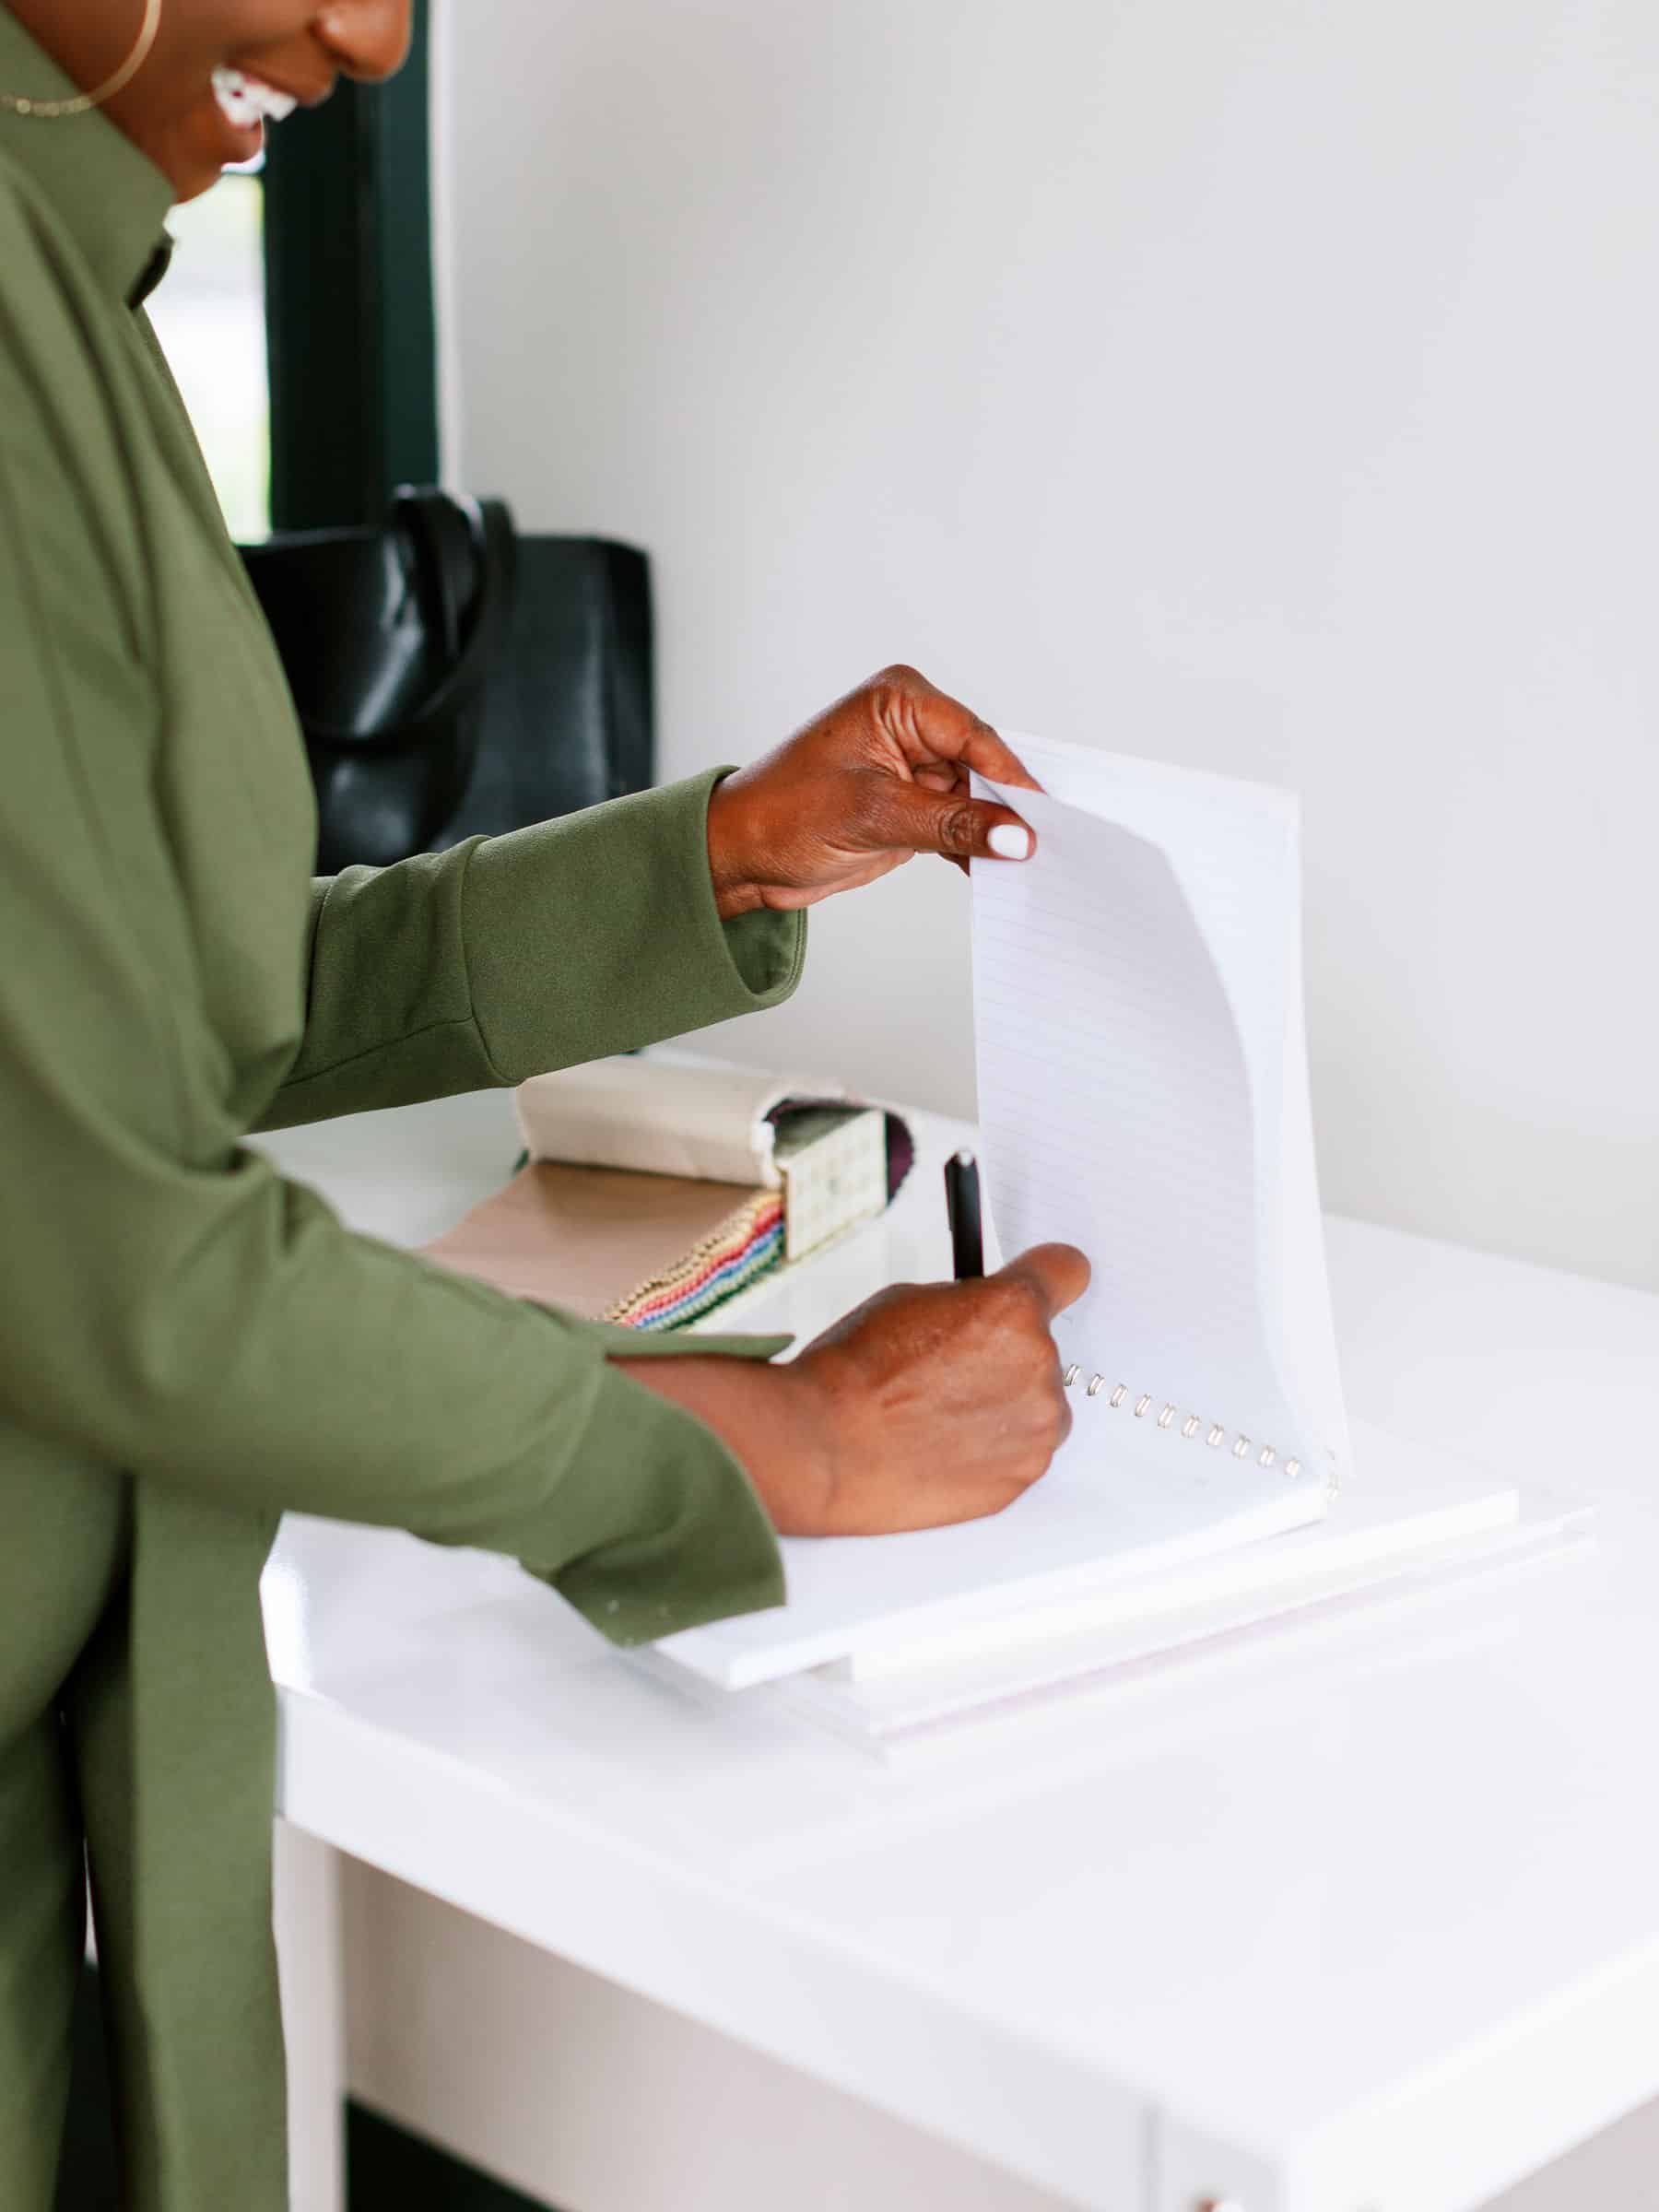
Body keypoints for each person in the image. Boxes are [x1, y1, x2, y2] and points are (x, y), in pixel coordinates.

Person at [0, 3, 1090, 2205]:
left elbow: (161, 1004)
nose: (370, 36)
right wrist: (783, 1445)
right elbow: (110, 1237)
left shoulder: (68, 272)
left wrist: (720, 857)